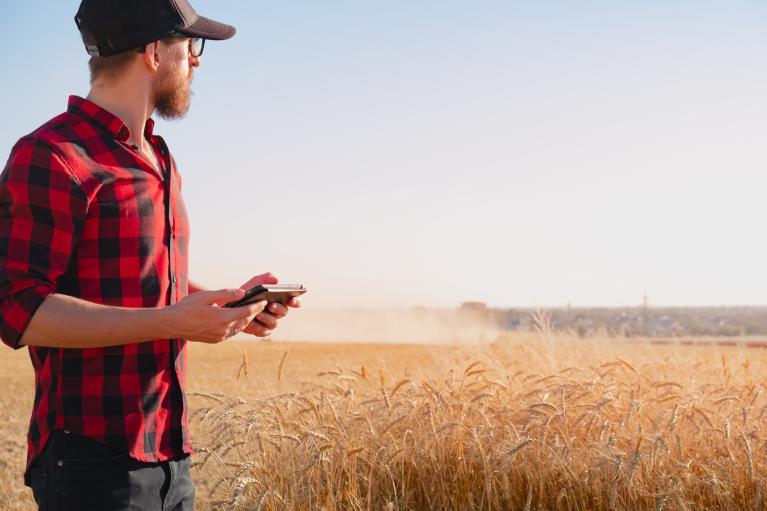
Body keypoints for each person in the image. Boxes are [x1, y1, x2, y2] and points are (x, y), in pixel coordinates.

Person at [0, 0, 300, 509]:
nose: (197, 61)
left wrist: (227, 305)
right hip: (91, 463)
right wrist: (173, 322)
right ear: (155, 51)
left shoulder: (158, 156)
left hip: (170, 455)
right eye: (191, 45)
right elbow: (17, 309)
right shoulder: (52, 155)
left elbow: (147, 279)